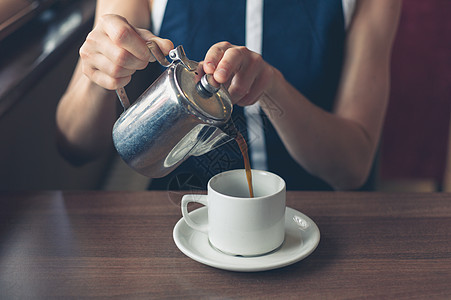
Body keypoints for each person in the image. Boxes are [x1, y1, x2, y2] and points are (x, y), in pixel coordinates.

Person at [56, 0, 402, 190]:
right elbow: (74, 144)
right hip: (188, 217)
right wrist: (98, 69)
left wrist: (271, 88)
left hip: (318, 220)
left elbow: (353, 166)